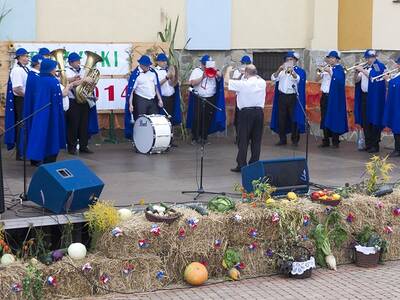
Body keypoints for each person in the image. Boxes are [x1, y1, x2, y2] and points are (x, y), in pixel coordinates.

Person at [26, 59, 66, 164]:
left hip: (40, 113)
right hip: (52, 114)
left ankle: (39, 158)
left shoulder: (38, 79)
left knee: (41, 134)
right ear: (49, 69)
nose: (55, 70)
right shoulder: (52, 81)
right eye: (54, 68)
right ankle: (50, 161)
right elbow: (58, 98)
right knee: (52, 136)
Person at [228, 65, 266, 172]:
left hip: (246, 113)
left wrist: (229, 71)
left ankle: (242, 165)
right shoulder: (262, 82)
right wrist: (246, 72)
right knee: (256, 140)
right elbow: (254, 75)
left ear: (246, 73)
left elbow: (228, 82)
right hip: (259, 112)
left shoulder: (243, 84)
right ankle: (254, 164)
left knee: (243, 140)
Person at [186, 55, 226, 144]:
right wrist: (202, 77)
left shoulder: (213, 70)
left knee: (207, 118)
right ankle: (195, 138)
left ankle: (204, 137)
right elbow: (192, 83)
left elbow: (220, 77)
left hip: (210, 97)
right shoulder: (196, 71)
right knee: (197, 118)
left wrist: (215, 70)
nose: (205, 66)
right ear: (202, 64)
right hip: (199, 97)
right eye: (204, 64)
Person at [270, 51, 306, 146]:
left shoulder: (299, 71)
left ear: (295, 61)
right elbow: (273, 78)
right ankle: (282, 139)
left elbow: (298, 79)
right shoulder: (281, 71)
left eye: (291, 60)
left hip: (292, 97)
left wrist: (292, 72)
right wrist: (279, 70)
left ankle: (295, 139)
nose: (289, 61)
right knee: (281, 118)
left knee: (293, 118)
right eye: (287, 60)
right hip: (282, 97)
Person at [65, 52, 98, 155]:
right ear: (71, 62)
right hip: (73, 101)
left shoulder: (83, 70)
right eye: (77, 61)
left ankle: (84, 146)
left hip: (84, 100)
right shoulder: (66, 71)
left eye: (79, 60)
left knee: (84, 125)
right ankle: (72, 147)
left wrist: (91, 92)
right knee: (73, 125)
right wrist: (85, 80)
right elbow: (69, 83)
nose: (80, 62)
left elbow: (87, 85)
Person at [354, 49, 386, 153]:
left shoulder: (378, 66)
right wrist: (356, 72)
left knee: (374, 120)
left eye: (370, 57)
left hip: (374, 97)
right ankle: (368, 144)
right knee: (365, 120)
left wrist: (363, 70)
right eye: (367, 58)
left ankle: (374, 145)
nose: (368, 60)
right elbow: (356, 80)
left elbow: (374, 77)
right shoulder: (365, 67)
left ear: (375, 57)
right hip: (364, 96)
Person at [124, 55, 164, 140]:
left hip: (152, 100)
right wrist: (130, 104)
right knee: (141, 121)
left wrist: (160, 99)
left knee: (155, 120)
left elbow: (157, 87)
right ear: (141, 65)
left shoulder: (153, 72)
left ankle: (153, 140)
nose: (148, 67)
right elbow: (131, 91)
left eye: (148, 65)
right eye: (146, 65)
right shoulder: (136, 75)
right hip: (140, 100)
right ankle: (139, 140)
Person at [317, 51, 348, 147]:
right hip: (325, 96)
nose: (330, 59)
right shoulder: (326, 68)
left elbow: (339, 81)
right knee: (324, 117)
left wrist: (330, 72)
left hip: (334, 97)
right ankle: (325, 139)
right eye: (329, 58)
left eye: (332, 58)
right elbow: (316, 79)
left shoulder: (339, 69)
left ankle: (335, 140)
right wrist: (320, 71)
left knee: (334, 117)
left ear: (337, 59)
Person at [4, 48, 30, 160]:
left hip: (24, 99)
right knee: (22, 125)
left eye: (27, 56)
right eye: (24, 56)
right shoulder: (17, 70)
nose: (27, 58)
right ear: (19, 58)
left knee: (24, 125)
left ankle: (23, 151)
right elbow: (17, 89)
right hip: (21, 100)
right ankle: (20, 153)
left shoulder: (25, 69)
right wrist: (29, 97)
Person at [154, 53, 182, 146]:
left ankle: (171, 140)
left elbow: (171, 84)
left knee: (171, 119)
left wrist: (175, 79)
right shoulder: (155, 72)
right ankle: (163, 141)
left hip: (171, 97)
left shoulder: (168, 70)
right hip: (163, 98)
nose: (164, 63)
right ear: (158, 62)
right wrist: (166, 77)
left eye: (165, 61)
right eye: (162, 61)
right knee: (163, 120)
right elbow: (157, 85)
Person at [232, 55, 252, 144]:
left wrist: (247, 74)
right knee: (238, 119)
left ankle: (248, 137)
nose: (244, 65)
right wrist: (241, 74)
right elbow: (235, 83)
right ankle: (238, 137)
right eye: (243, 63)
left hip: (249, 98)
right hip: (239, 98)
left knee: (248, 119)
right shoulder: (237, 72)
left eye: (246, 64)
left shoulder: (252, 72)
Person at [383, 57, 400, 157]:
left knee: (398, 127)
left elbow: (397, 85)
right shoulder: (397, 75)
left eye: (398, 64)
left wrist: (389, 79)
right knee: (396, 127)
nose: (397, 65)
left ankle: (398, 149)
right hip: (396, 106)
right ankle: (397, 148)